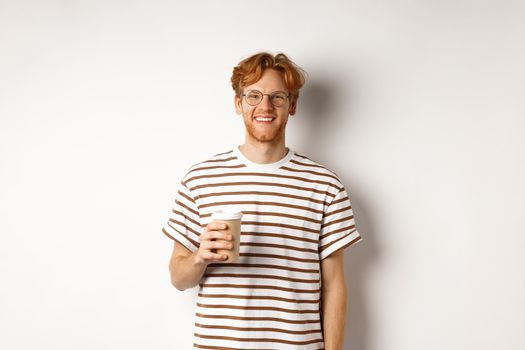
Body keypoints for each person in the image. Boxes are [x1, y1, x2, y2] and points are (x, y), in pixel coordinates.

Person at [162, 52, 362, 350]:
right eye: (253, 95)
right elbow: (179, 279)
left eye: (277, 97)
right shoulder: (200, 179)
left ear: (292, 105)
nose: (264, 106)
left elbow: (334, 287)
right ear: (238, 103)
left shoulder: (325, 185)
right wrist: (199, 256)